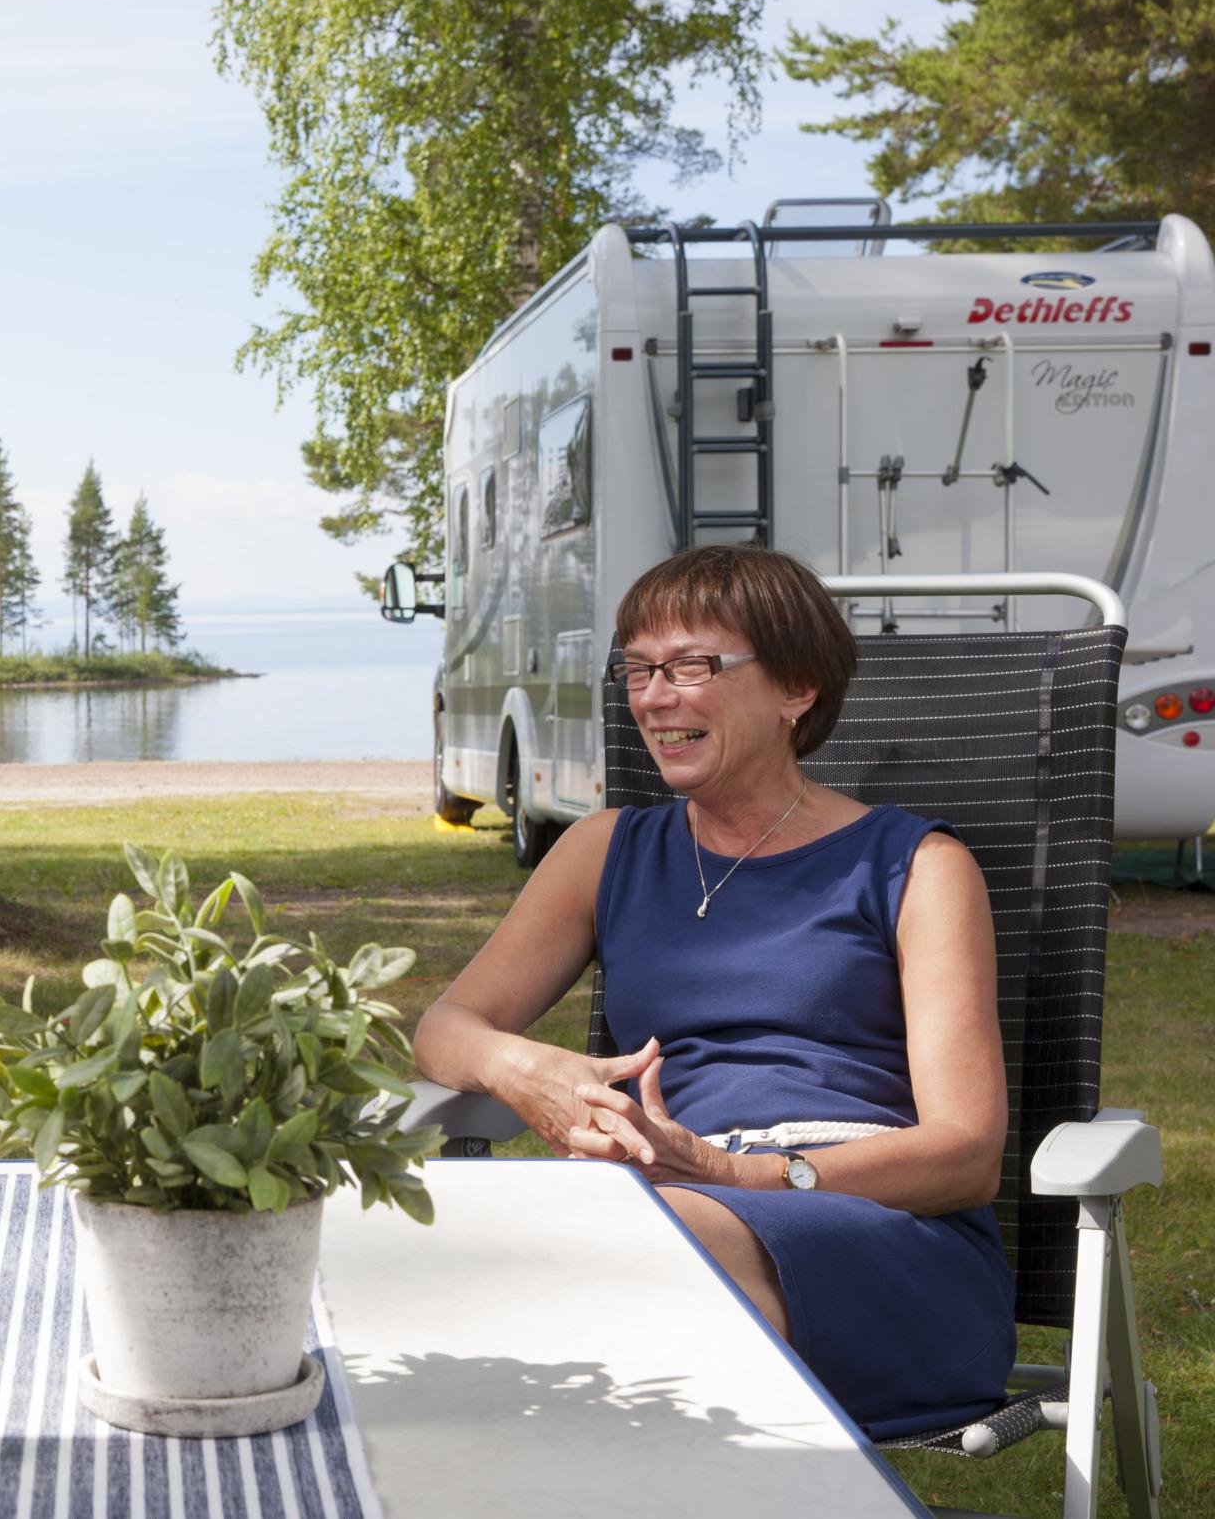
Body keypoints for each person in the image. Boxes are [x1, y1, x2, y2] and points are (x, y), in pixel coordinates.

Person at [411, 544, 1015, 1438]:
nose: (655, 698)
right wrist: (524, 1070)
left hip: (872, 1233)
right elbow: (446, 1026)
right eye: (640, 670)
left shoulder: (915, 866)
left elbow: (966, 1154)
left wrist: (738, 1174)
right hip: (658, 1212)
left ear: (796, 688)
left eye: (693, 666)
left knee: (622, 1268)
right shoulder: (607, 851)